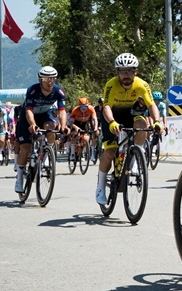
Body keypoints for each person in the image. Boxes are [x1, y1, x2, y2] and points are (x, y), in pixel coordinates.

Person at [94, 54, 163, 205]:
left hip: (129, 114)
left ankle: (135, 158)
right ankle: (100, 187)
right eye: (122, 71)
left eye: (130, 71)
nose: (126, 75)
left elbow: (151, 104)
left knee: (142, 125)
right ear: (117, 72)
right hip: (111, 116)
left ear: (135, 72)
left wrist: (157, 122)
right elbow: (106, 106)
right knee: (110, 152)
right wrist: (112, 122)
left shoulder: (142, 84)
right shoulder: (111, 84)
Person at [15, 66, 68, 193]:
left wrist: (63, 125)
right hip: (28, 116)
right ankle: (19, 178)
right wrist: (32, 124)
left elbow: (62, 111)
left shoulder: (59, 91)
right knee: (25, 148)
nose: (50, 81)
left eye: (52, 78)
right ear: (40, 80)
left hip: (44, 114)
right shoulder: (33, 90)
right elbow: (28, 110)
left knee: (51, 128)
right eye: (46, 79)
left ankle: (47, 155)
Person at [70, 96, 98, 162]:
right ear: (79, 106)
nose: (83, 109)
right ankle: (72, 153)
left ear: (87, 105)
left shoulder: (91, 108)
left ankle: (82, 151)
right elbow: (71, 123)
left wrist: (95, 127)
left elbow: (95, 119)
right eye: (81, 107)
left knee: (86, 138)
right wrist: (76, 127)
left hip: (85, 123)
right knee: (74, 135)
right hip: (76, 123)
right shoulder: (75, 110)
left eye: (85, 107)